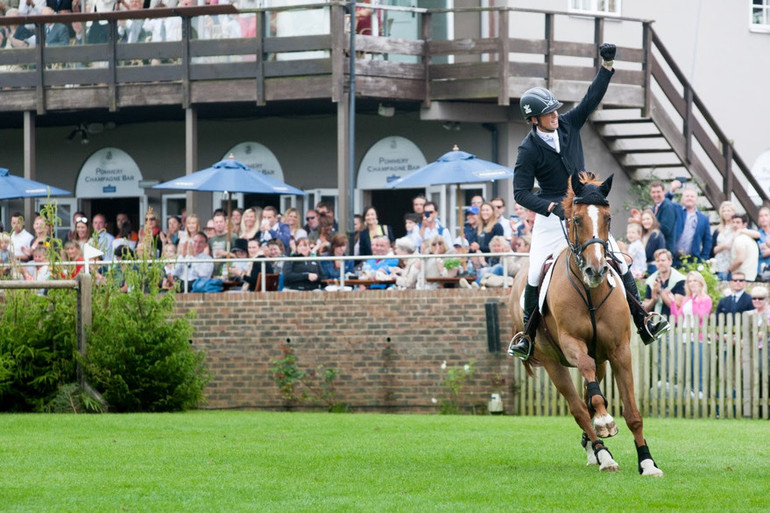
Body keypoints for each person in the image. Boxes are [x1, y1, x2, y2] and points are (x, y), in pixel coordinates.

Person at [508, 42, 669, 359]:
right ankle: (526, 337)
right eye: (547, 114)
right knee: (537, 272)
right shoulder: (527, 150)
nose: (554, 116)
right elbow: (520, 193)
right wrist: (550, 207)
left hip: (583, 208)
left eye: (554, 111)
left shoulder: (569, 123)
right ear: (534, 120)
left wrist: (606, 67)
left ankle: (643, 321)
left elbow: (591, 99)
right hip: (553, 217)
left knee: (619, 260)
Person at [670, 183, 712, 266]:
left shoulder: (703, 218)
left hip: (692, 261)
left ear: (696, 200)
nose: (689, 198)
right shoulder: (675, 210)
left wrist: (703, 259)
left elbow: (707, 241)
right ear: (682, 199)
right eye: (687, 196)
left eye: (692, 196)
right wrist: (671, 190)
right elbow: (665, 203)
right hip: (673, 259)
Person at [643, 249, 686, 320]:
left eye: (663, 260)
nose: (660, 263)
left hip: (672, 322)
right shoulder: (651, 280)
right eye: (657, 261)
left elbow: (678, 306)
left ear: (670, 261)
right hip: (655, 323)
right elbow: (645, 309)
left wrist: (660, 291)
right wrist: (654, 299)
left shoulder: (680, 280)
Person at [728, 214, 759, 282]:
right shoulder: (750, 237)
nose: (735, 225)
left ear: (744, 224)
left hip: (741, 278)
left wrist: (729, 269)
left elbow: (740, 259)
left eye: (738, 222)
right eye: (733, 222)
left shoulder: (740, 239)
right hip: (751, 276)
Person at [710, 201, 737, 281]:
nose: (726, 213)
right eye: (724, 211)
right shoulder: (718, 230)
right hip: (719, 264)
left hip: (732, 264)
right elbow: (712, 250)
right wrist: (724, 246)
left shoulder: (737, 228)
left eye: (728, 211)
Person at [649, 180, 678, 252]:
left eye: (658, 192)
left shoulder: (668, 207)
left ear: (664, 191)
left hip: (665, 250)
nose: (656, 195)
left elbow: (665, 229)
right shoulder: (656, 206)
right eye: (653, 192)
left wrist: (648, 224)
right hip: (658, 249)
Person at [640, 208, 666, 275]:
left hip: (653, 268)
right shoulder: (645, 235)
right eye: (643, 219)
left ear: (653, 220)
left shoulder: (655, 234)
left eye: (648, 219)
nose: (646, 221)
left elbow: (647, 254)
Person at [756, 206, 770, 279]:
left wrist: (767, 247)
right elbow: (761, 253)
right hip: (763, 269)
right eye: (761, 216)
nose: (763, 218)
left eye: (766, 215)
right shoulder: (757, 234)